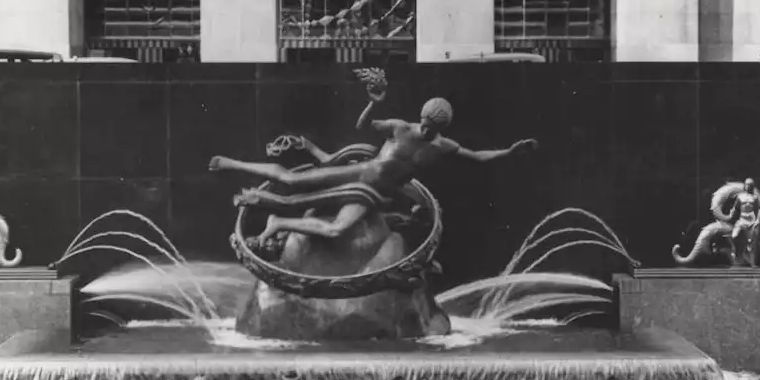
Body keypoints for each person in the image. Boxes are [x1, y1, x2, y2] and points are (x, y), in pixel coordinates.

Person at [210, 72, 538, 245]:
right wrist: (373, 102)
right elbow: (363, 125)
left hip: (373, 195)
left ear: (440, 128)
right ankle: (232, 164)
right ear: (420, 117)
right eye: (424, 121)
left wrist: (509, 152)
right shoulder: (399, 127)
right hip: (357, 175)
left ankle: (279, 223)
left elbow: (477, 157)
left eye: (432, 126)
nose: (424, 127)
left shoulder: (443, 147)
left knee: (336, 231)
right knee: (290, 181)